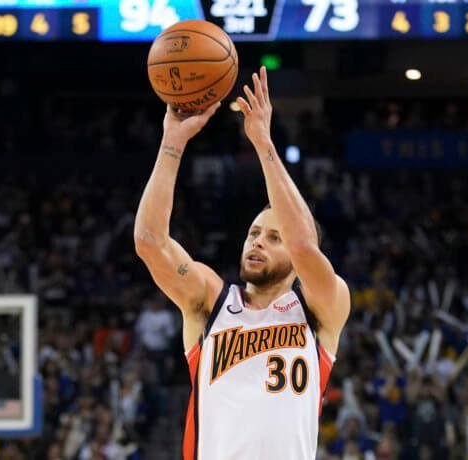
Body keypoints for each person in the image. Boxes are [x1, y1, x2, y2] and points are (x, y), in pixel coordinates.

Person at [134, 67, 350, 460]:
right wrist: (172, 143)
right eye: (253, 233)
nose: (257, 242)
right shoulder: (210, 301)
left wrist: (263, 142)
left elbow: (303, 243)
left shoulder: (321, 305)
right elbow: (149, 242)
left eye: (272, 237)